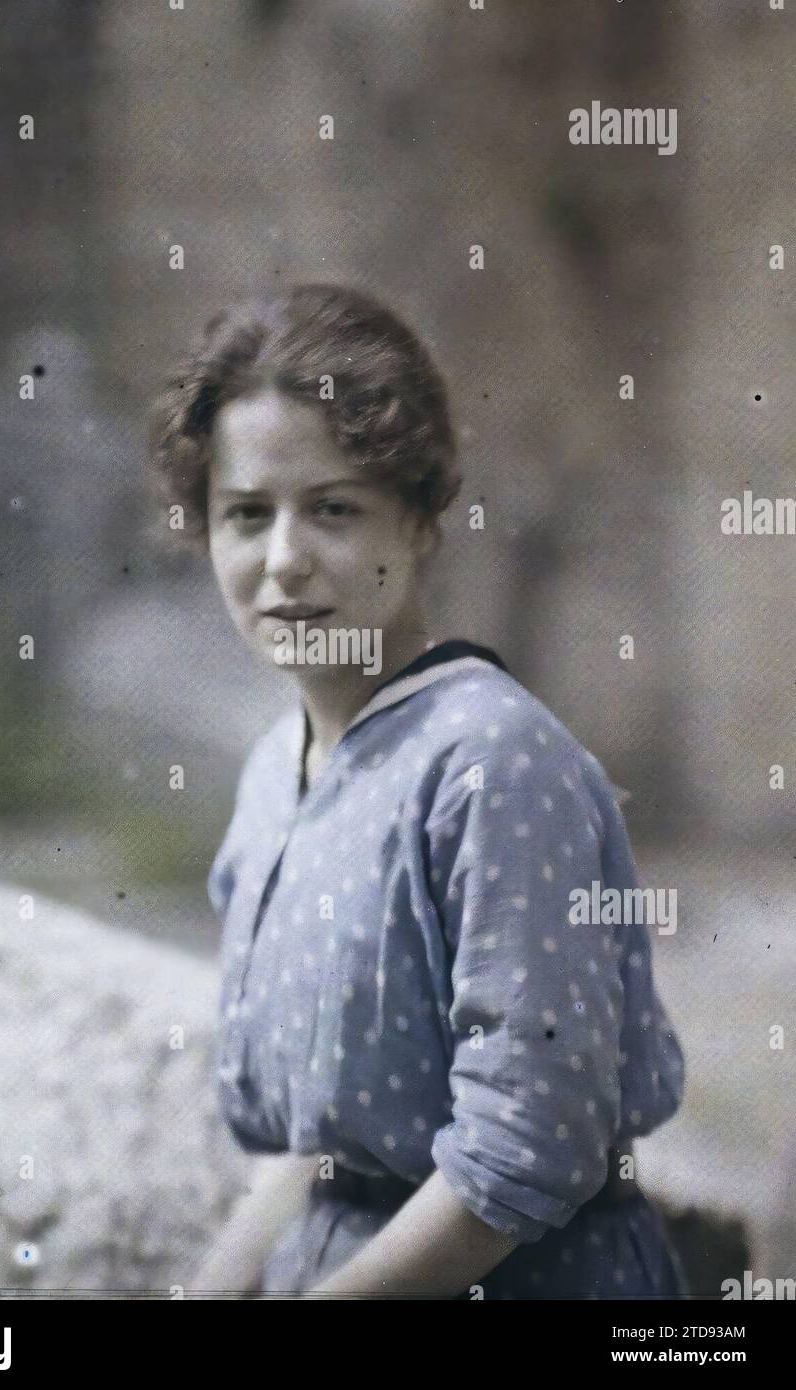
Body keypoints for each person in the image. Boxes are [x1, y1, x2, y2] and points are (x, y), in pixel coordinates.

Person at [149, 282, 688, 1299]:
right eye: (246, 515)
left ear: (421, 516)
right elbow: (319, 1144)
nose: (284, 560)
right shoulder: (275, 772)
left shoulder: (492, 762)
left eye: (334, 509)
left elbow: (526, 1147)